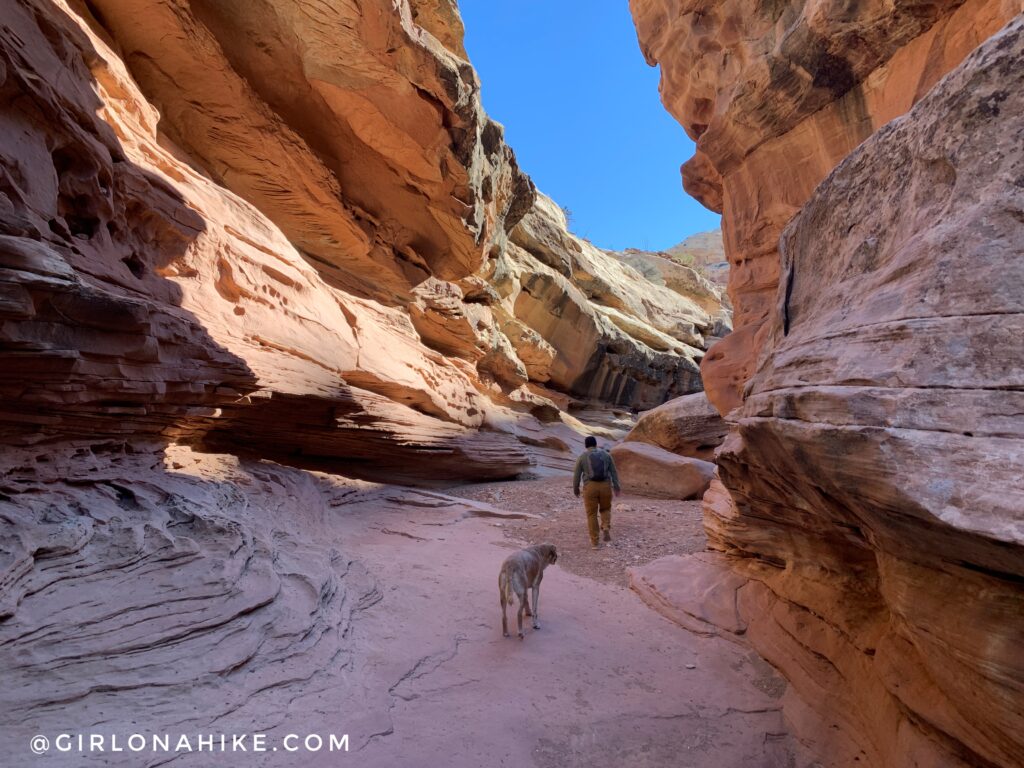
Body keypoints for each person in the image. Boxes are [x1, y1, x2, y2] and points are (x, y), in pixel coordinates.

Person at [572, 436, 621, 550]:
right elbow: (614, 472)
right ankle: (605, 526)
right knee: (605, 509)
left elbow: (576, 475)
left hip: (590, 488)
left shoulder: (582, 457)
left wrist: (576, 489)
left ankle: (595, 543)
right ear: (595, 444)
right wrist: (617, 487)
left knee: (591, 514)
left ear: (586, 445)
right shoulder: (606, 455)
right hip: (605, 486)